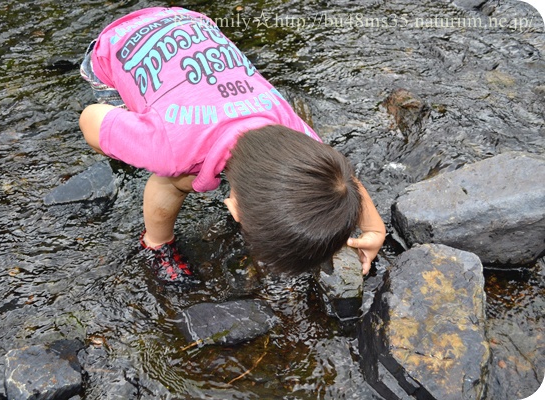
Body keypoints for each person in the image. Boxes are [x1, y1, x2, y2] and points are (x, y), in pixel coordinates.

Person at [79, 7, 385, 283]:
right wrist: (126, 141)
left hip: (190, 24)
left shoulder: (289, 126)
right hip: (114, 49)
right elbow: (90, 119)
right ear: (233, 209)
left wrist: (375, 229)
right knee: (175, 178)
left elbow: (336, 177)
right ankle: (156, 242)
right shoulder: (171, 150)